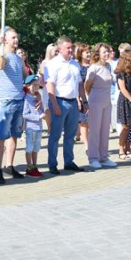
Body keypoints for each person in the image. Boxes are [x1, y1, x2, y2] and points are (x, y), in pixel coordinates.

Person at [44, 36, 87, 174]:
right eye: (68, 48)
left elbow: (80, 84)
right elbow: (50, 84)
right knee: (55, 135)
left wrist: (84, 100)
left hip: (73, 102)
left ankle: (68, 162)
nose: (71, 50)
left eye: (71, 47)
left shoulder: (75, 64)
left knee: (70, 135)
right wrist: (54, 104)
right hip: (59, 101)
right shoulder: (52, 64)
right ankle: (52, 164)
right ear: (59, 49)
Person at [0, 27, 28, 184]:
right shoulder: (3, 55)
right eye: (13, 38)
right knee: (2, 136)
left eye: (16, 37)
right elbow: (0, 66)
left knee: (14, 134)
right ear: (5, 39)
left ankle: (9, 165)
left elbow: (25, 76)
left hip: (19, 99)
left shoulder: (17, 58)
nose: (16, 40)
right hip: (7, 101)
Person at [84, 43, 117, 169]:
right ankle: (93, 158)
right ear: (98, 53)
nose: (107, 54)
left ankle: (103, 157)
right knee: (94, 130)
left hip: (107, 102)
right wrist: (89, 99)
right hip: (95, 101)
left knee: (104, 131)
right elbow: (87, 85)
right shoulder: (93, 68)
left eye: (108, 51)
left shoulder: (108, 66)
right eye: (104, 52)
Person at [115, 51, 131, 160]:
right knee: (125, 126)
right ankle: (120, 150)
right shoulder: (120, 72)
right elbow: (122, 88)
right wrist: (130, 99)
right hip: (124, 100)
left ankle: (128, 149)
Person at [22, 75, 45, 177]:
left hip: (39, 127)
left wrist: (43, 112)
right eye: (34, 85)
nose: (37, 87)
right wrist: (38, 117)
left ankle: (35, 166)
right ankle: (29, 167)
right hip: (30, 127)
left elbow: (41, 110)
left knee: (36, 148)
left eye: (37, 85)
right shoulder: (26, 99)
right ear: (28, 86)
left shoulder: (37, 97)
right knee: (29, 147)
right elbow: (25, 114)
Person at [38, 43, 58, 133]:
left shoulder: (60, 62)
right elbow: (42, 73)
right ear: (49, 52)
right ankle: (50, 128)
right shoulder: (45, 62)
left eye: (58, 51)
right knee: (47, 109)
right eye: (55, 51)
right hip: (47, 87)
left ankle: (55, 127)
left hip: (58, 87)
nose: (57, 53)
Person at [75, 43, 91, 144]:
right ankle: (86, 145)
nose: (89, 54)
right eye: (86, 52)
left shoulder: (93, 65)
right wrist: (78, 99)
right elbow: (76, 84)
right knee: (84, 122)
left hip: (93, 96)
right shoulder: (77, 66)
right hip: (82, 97)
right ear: (80, 54)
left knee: (92, 123)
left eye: (89, 52)